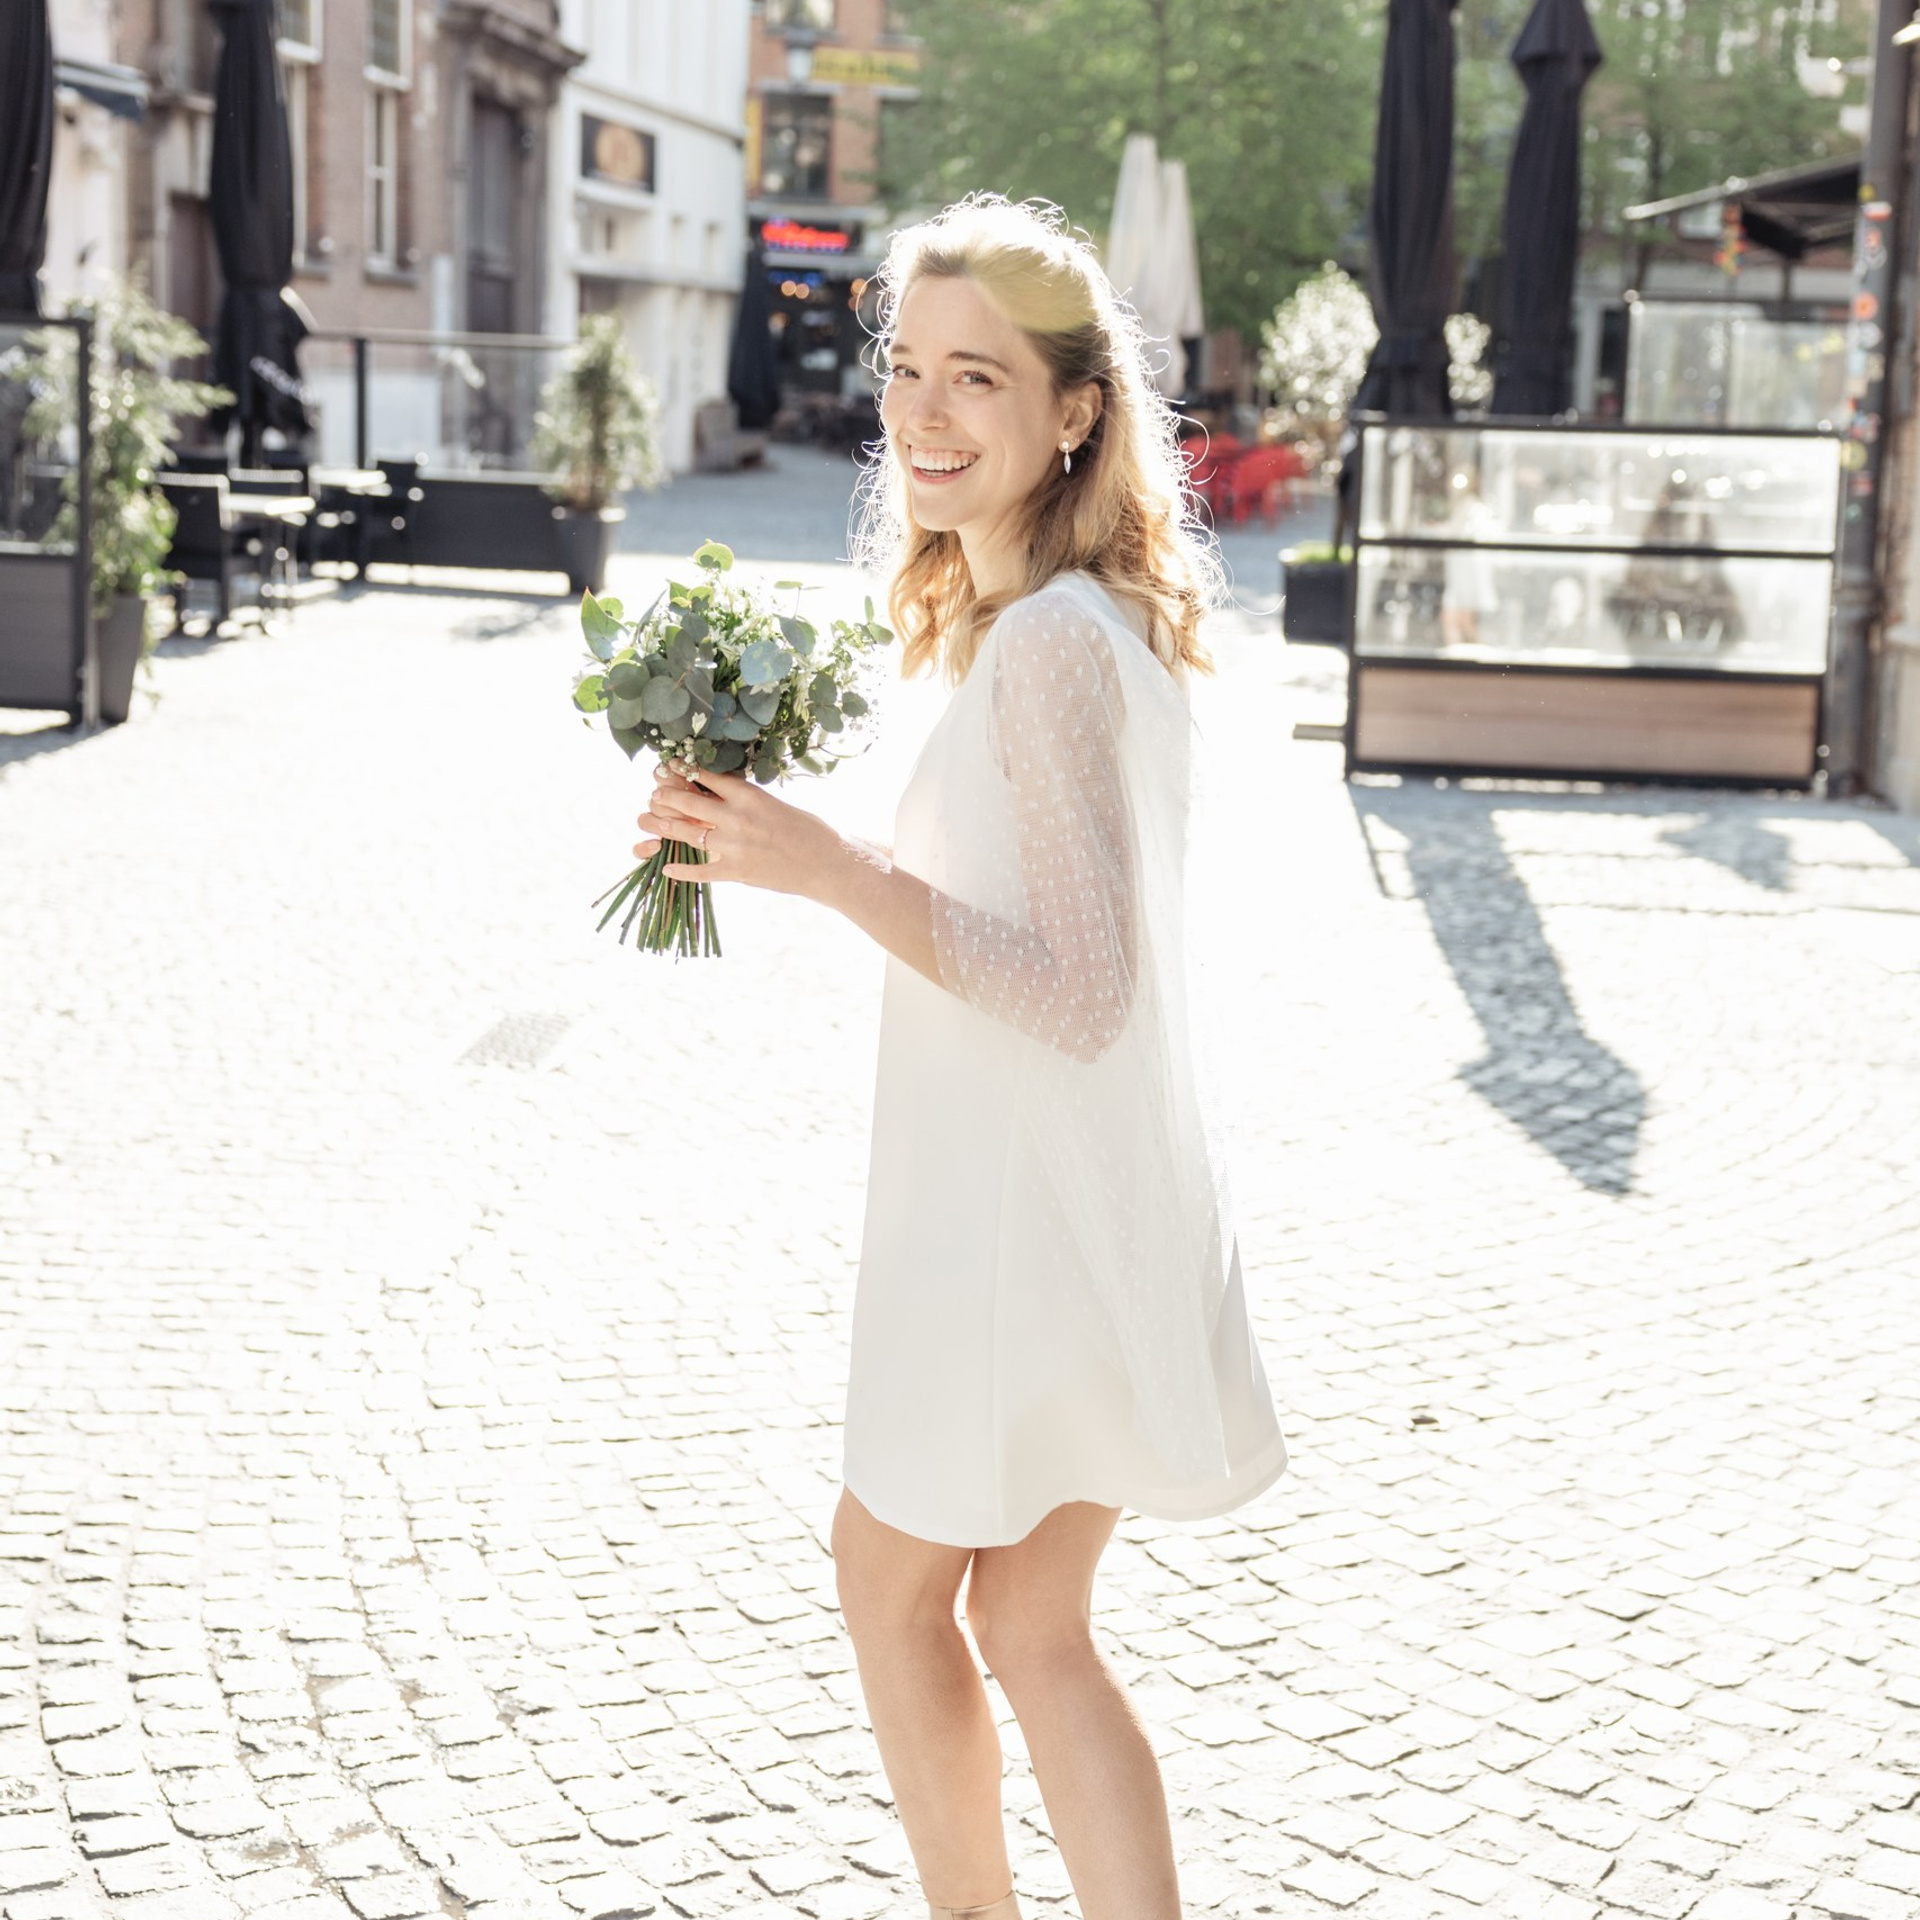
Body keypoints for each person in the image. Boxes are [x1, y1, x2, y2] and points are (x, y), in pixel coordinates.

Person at [633, 194, 1288, 1920]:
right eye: (906, 368)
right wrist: (789, 847)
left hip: (1014, 1219)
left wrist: (829, 869)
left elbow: (1080, 989)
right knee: (1028, 1620)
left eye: (977, 378)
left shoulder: (1058, 648)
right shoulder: (1061, 622)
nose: (922, 413)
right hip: (1062, 1193)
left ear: (1077, 409)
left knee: (895, 1582)